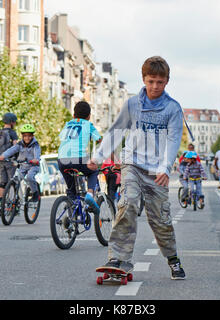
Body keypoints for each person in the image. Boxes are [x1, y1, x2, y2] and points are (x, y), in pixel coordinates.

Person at [88, 56, 186, 280]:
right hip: (132, 163)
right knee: (128, 203)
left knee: (161, 220)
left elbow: (173, 141)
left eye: (159, 82)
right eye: (151, 81)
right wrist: (99, 156)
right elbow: (116, 131)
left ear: (167, 82)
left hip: (157, 171)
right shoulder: (132, 104)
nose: (154, 86)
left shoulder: (173, 108)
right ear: (144, 79)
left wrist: (165, 167)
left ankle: (173, 259)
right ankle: (117, 258)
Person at [57, 101, 102, 214]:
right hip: (79, 157)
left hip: (62, 159)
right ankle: (90, 194)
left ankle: (72, 219)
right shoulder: (88, 125)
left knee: (71, 191)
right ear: (89, 116)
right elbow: (100, 140)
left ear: (73, 115)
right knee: (93, 171)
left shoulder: (68, 124)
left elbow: (61, 137)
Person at [0, 124, 41, 202]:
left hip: (33, 166)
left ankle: (35, 194)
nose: (27, 138)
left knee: (30, 177)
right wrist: (3, 155)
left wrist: (35, 159)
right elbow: (12, 150)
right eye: (25, 136)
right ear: (22, 136)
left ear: (32, 136)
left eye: (29, 136)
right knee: (15, 180)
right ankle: (15, 199)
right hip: (22, 166)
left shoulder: (35, 145)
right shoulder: (20, 144)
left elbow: (37, 155)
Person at [0, 112, 18, 207]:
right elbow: (15, 146)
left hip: (0, 161)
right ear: (11, 122)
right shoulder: (12, 133)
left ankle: (1, 203)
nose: (15, 124)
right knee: (12, 182)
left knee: (2, 183)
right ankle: (13, 205)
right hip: (10, 161)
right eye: (14, 122)